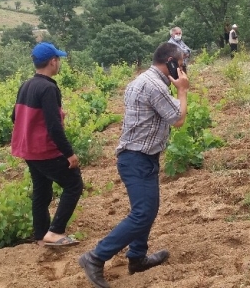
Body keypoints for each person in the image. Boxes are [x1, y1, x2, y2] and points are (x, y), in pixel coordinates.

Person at [79, 42, 189, 288]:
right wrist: (182, 90)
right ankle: (95, 257)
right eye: (181, 64)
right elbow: (178, 119)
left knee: (146, 209)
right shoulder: (155, 86)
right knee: (142, 213)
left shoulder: (143, 80)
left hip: (139, 157)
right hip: (137, 159)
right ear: (170, 61)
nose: (183, 69)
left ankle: (137, 258)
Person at [10, 42, 83, 247]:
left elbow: (15, 116)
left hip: (28, 150)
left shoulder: (26, 85)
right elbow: (53, 127)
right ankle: (55, 231)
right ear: (53, 62)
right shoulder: (49, 88)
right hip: (45, 150)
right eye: (58, 59)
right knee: (74, 184)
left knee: (42, 190)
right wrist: (69, 153)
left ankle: (41, 233)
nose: (58, 63)